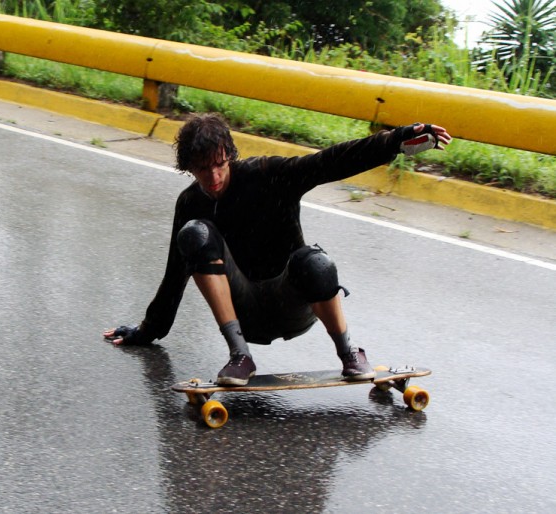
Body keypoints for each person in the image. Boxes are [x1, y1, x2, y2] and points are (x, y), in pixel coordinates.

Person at [104, 114, 452, 385]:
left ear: (230, 157)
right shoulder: (191, 202)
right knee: (194, 234)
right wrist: (147, 330)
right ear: (188, 168)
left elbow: (329, 161)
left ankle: (349, 354)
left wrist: (394, 141)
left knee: (315, 262)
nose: (212, 178)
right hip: (244, 315)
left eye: (219, 165)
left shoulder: (268, 175)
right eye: (201, 169)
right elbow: (173, 276)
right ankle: (241, 356)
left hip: (293, 303)